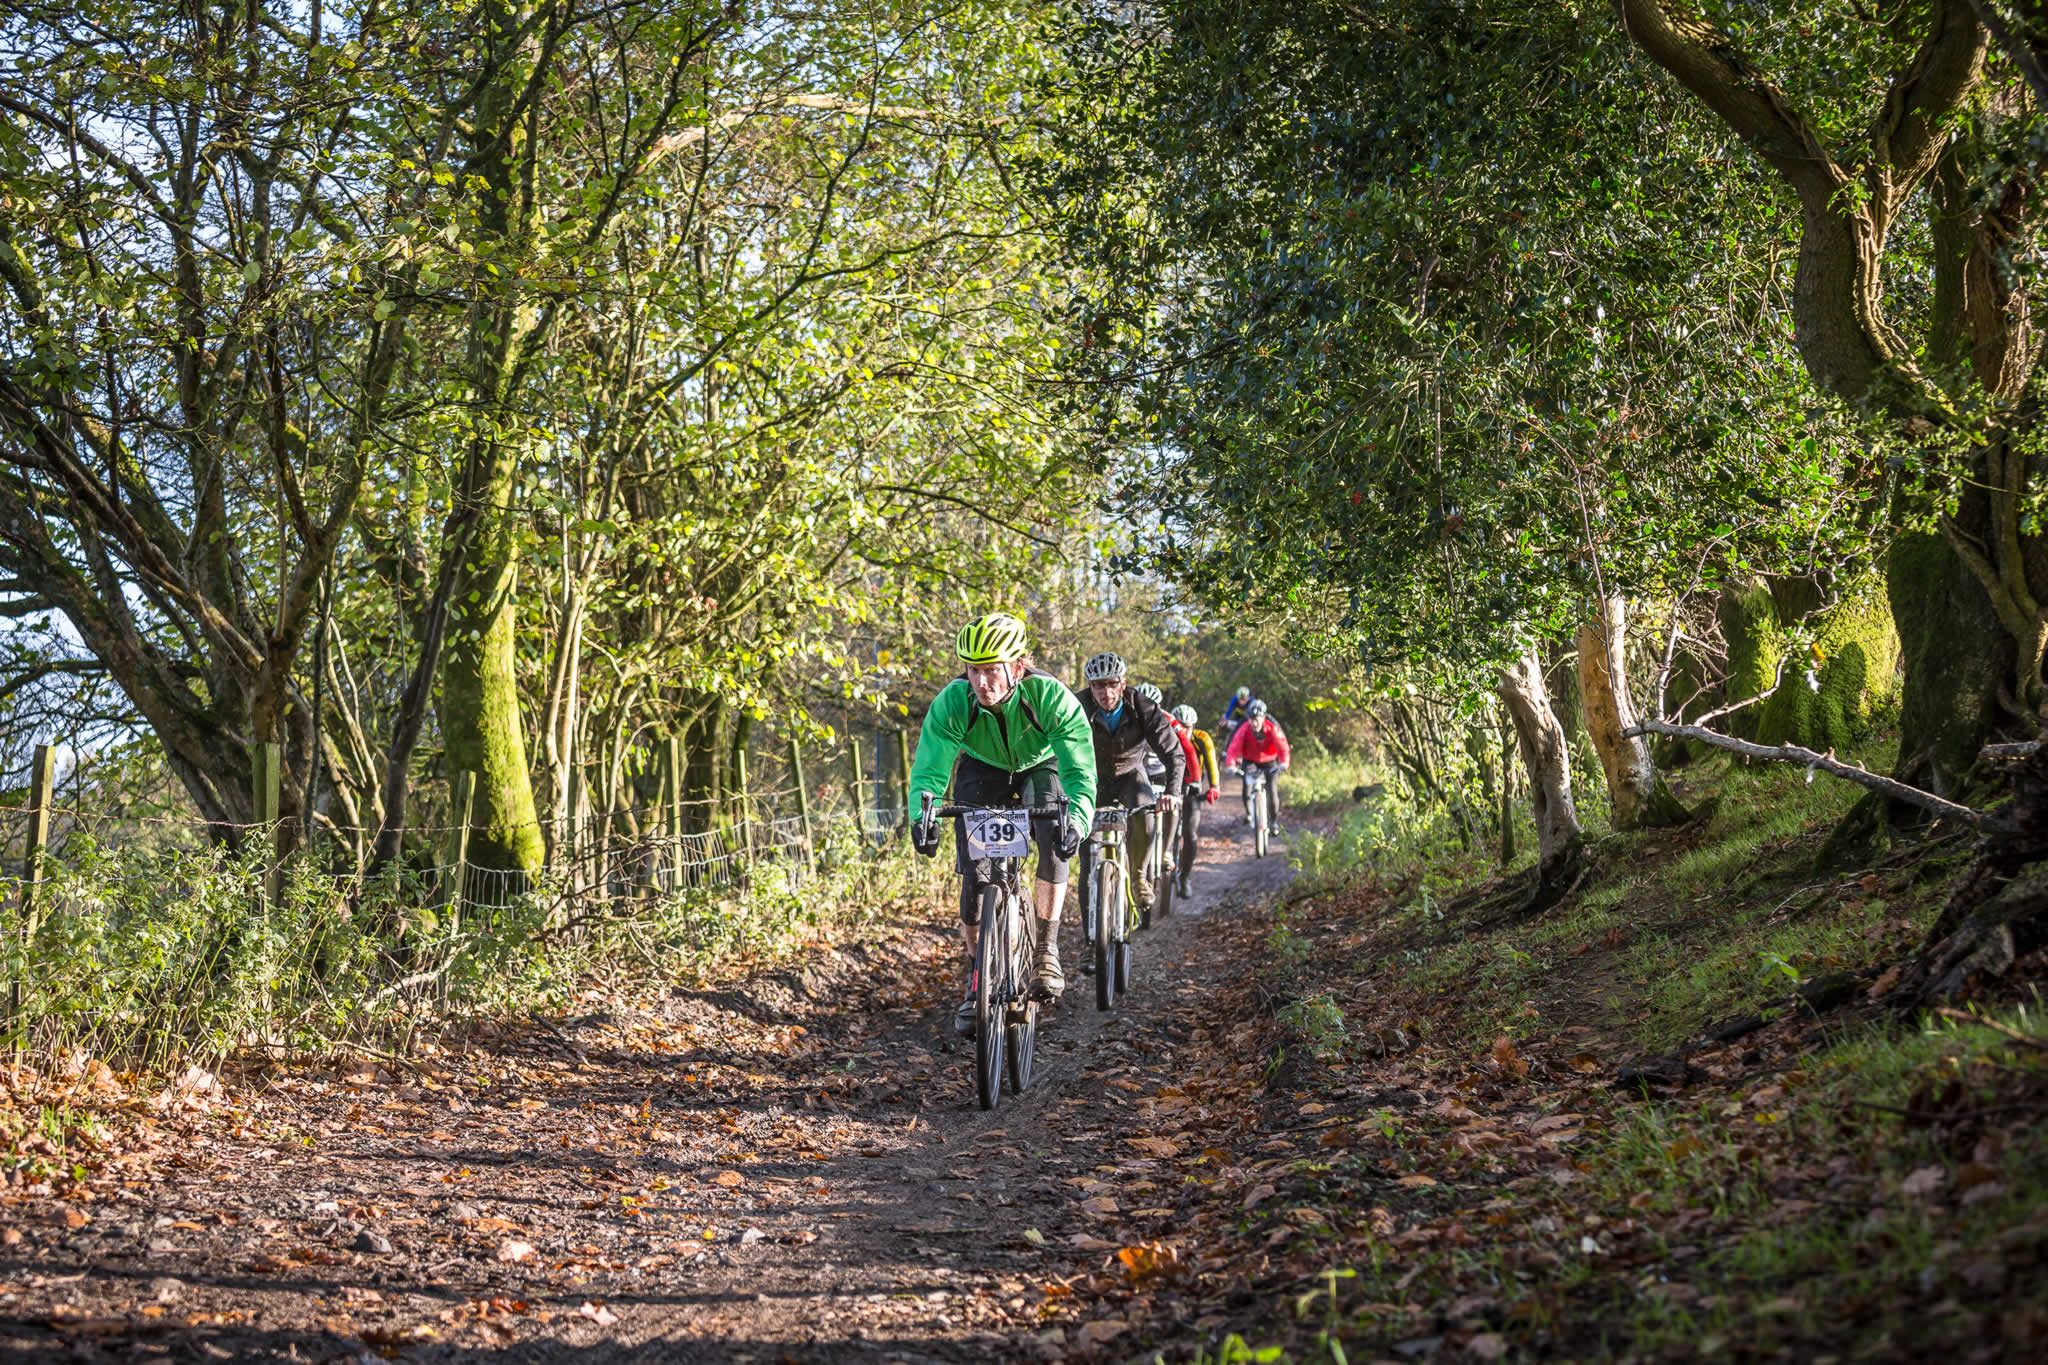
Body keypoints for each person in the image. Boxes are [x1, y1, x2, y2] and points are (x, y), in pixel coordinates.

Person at [907, 614, 1096, 1035]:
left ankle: (1045, 950)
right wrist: (922, 817)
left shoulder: (1050, 696)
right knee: (975, 879)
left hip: (1041, 764)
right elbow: (930, 770)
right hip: (983, 768)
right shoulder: (954, 702)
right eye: (973, 670)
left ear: (1017, 667)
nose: (981, 682)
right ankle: (977, 977)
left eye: (992, 670)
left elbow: (1079, 769)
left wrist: (1078, 819)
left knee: (1055, 832)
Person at [1075, 653, 1185, 914]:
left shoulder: (1142, 706)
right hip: (1092, 778)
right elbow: (1054, 746)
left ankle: (1138, 877)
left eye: (1112, 684)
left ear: (1123, 683)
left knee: (1145, 816)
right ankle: (1091, 928)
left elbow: (1173, 753)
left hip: (1130, 776)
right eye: (1098, 686)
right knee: (1086, 851)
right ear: (1090, 686)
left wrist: (1172, 792)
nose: (1106, 692)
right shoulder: (1077, 706)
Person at [1171, 704, 1221, 896]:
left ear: (1194, 726)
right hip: (1169, 786)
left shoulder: (1201, 738)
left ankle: (1185, 877)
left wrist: (1214, 786)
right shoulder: (1165, 735)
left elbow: (1211, 761)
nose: (1184, 730)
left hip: (1192, 787)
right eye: (1180, 726)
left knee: (1190, 834)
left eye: (1188, 727)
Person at [1223, 698, 1290, 825]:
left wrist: (1284, 763)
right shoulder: (1244, 729)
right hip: (1250, 761)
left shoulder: (1272, 729)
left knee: (1272, 791)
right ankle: (1249, 813)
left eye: (1257, 719)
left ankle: (1274, 821)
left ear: (1263, 717)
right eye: (1251, 719)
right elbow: (1233, 748)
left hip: (1269, 761)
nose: (1254, 723)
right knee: (1246, 787)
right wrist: (1231, 764)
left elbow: (1282, 747)